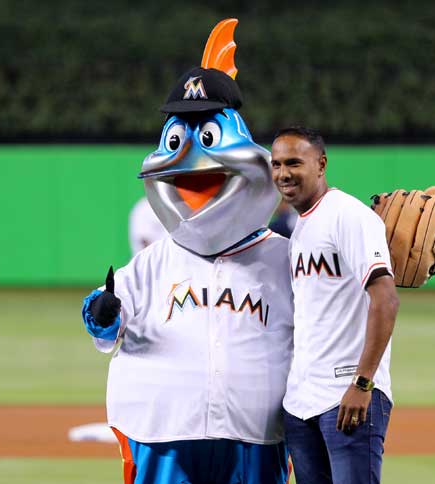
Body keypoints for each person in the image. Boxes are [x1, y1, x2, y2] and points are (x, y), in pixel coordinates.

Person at [82, 20, 293, 484]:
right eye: (178, 143)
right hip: (163, 435)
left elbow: (330, 318)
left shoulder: (283, 259)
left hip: (255, 436)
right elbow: (102, 323)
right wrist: (103, 311)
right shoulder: (156, 261)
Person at [270, 126, 400, 484]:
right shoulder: (300, 228)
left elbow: (386, 298)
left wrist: (363, 383)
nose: (283, 173)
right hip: (301, 402)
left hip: (347, 395)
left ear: (321, 164)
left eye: (294, 162)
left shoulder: (347, 215)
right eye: (276, 164)